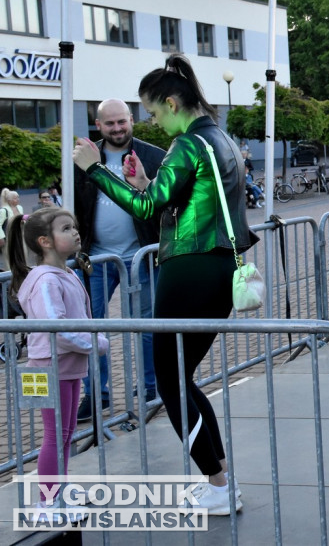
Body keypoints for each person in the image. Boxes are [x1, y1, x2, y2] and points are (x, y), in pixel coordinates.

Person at [72, 54, 254, 514]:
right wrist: (149, 180)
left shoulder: (188, 145)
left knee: (171, 382)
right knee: (180, 377)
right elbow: (187, 199)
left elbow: (148, 208)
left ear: (172, 103)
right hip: (214, 269)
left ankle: (215, 482)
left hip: (190, 269)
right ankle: (220, 478)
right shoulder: (219, 138)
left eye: (153, 112)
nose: (153, 122)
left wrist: (96, 169)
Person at [6, 207, 109, 508]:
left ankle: (57, 493)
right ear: (44, 241)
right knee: (55, 436)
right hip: (48, 367)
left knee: (65, 434)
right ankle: (47, 503)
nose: (75, 232)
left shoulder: (65, 273)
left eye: (74, 226)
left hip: (66, 367)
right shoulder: (45, 280)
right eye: (66, 228)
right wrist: (96, 344)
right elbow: (59, 327)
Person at [73, 98, 165, 418]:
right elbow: (74, 206)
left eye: (121, 121)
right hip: (94, 259)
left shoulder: (153, 156)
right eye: (109, 123)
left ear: (131, 120)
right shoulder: (83, 159)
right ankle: (96, 393)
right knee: (89, 326)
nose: (117, 128)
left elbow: (165, 203)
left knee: (147, 326)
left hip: (140, 255)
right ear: (98, 125)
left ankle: (151, 387)